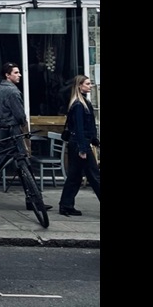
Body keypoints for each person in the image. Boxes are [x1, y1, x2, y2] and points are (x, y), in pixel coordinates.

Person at [0, 62, 52, 213]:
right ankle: (34, 200)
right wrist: (23, 125)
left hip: (0, 130)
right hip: (13, 131)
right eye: (15, 72)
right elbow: (20, 115)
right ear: (7, 75)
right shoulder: (12, 92)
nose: (19, 75)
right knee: (24, 162)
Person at [57, 74, 102, 216]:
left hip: (78, 143)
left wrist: (93, 139)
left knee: (75, 176)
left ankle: (66, 205)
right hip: (79, 144)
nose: (90, 86)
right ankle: (66, 205)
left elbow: (86, 126)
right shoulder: (78, 104)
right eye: (87, 84)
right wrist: (83, 148)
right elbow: (79, 128)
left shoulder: (82, 102)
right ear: (79, 86)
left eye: (90, 83)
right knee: (95, 176)